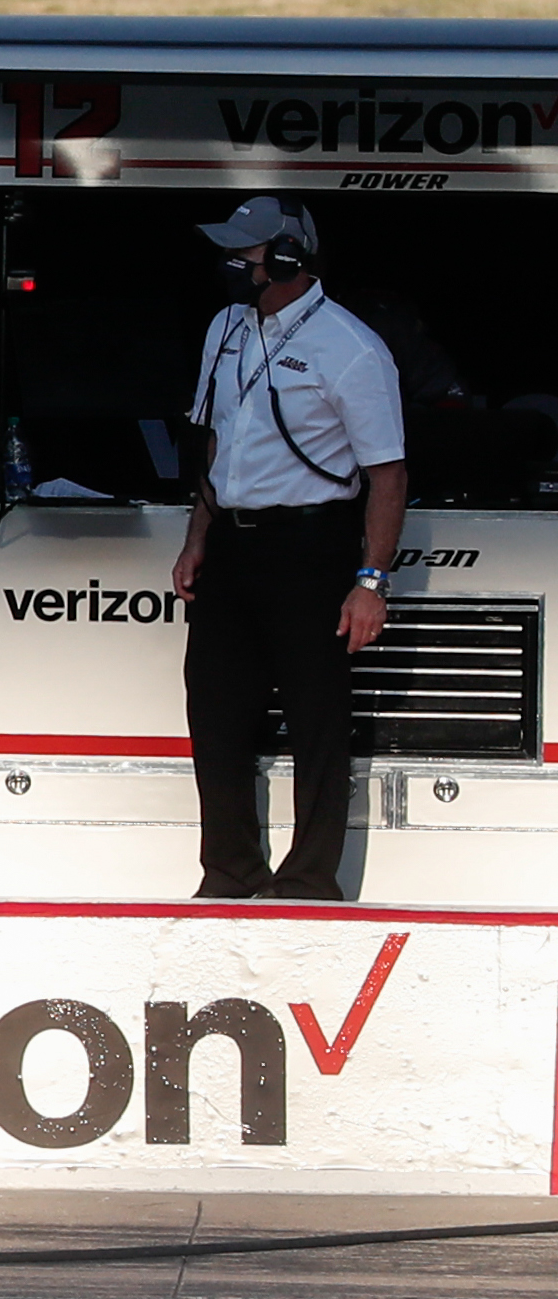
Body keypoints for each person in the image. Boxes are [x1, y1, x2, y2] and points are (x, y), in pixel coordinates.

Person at [173, 195, 407, 902]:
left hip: (311, 547)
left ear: (286, 259)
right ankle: (229, 872)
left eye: (244, 253)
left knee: (316, 719)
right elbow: (216, 443)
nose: (232, 265)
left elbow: (388, 474)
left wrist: (371, 581)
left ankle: (308, 882)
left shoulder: (352, 348)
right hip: (233, 548)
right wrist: (195, 541)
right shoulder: (225, 328)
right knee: (214, 712)